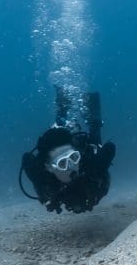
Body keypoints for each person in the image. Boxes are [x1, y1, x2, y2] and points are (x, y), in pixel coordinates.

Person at [20, 86, 116, 214]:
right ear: (50, 167)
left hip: (84, 153)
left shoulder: (90, 165)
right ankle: (63, 109)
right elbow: (27, 160)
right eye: (62, 163)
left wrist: (98, 170)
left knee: (94, 139)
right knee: (62, 130)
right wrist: (40, 188)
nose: (72, 166)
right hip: (52, 165)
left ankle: (74, 112)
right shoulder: (45, 180)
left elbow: (110, 148)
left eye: (74, 158)